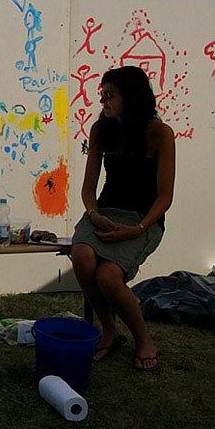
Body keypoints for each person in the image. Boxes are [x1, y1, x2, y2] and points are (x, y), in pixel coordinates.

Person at [71, 66, 175, 371]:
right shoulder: (100, 129)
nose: (103, 102)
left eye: (109, 96)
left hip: (144, 218)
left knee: (108, 276)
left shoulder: (160, 133)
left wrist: (138, 229)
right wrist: (94, 214)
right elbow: (88, 188)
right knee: (81, 254)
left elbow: (165, 197)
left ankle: (144, 339)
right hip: (104, 212)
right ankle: (109, 329)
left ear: (130, 96)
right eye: (102, 96)